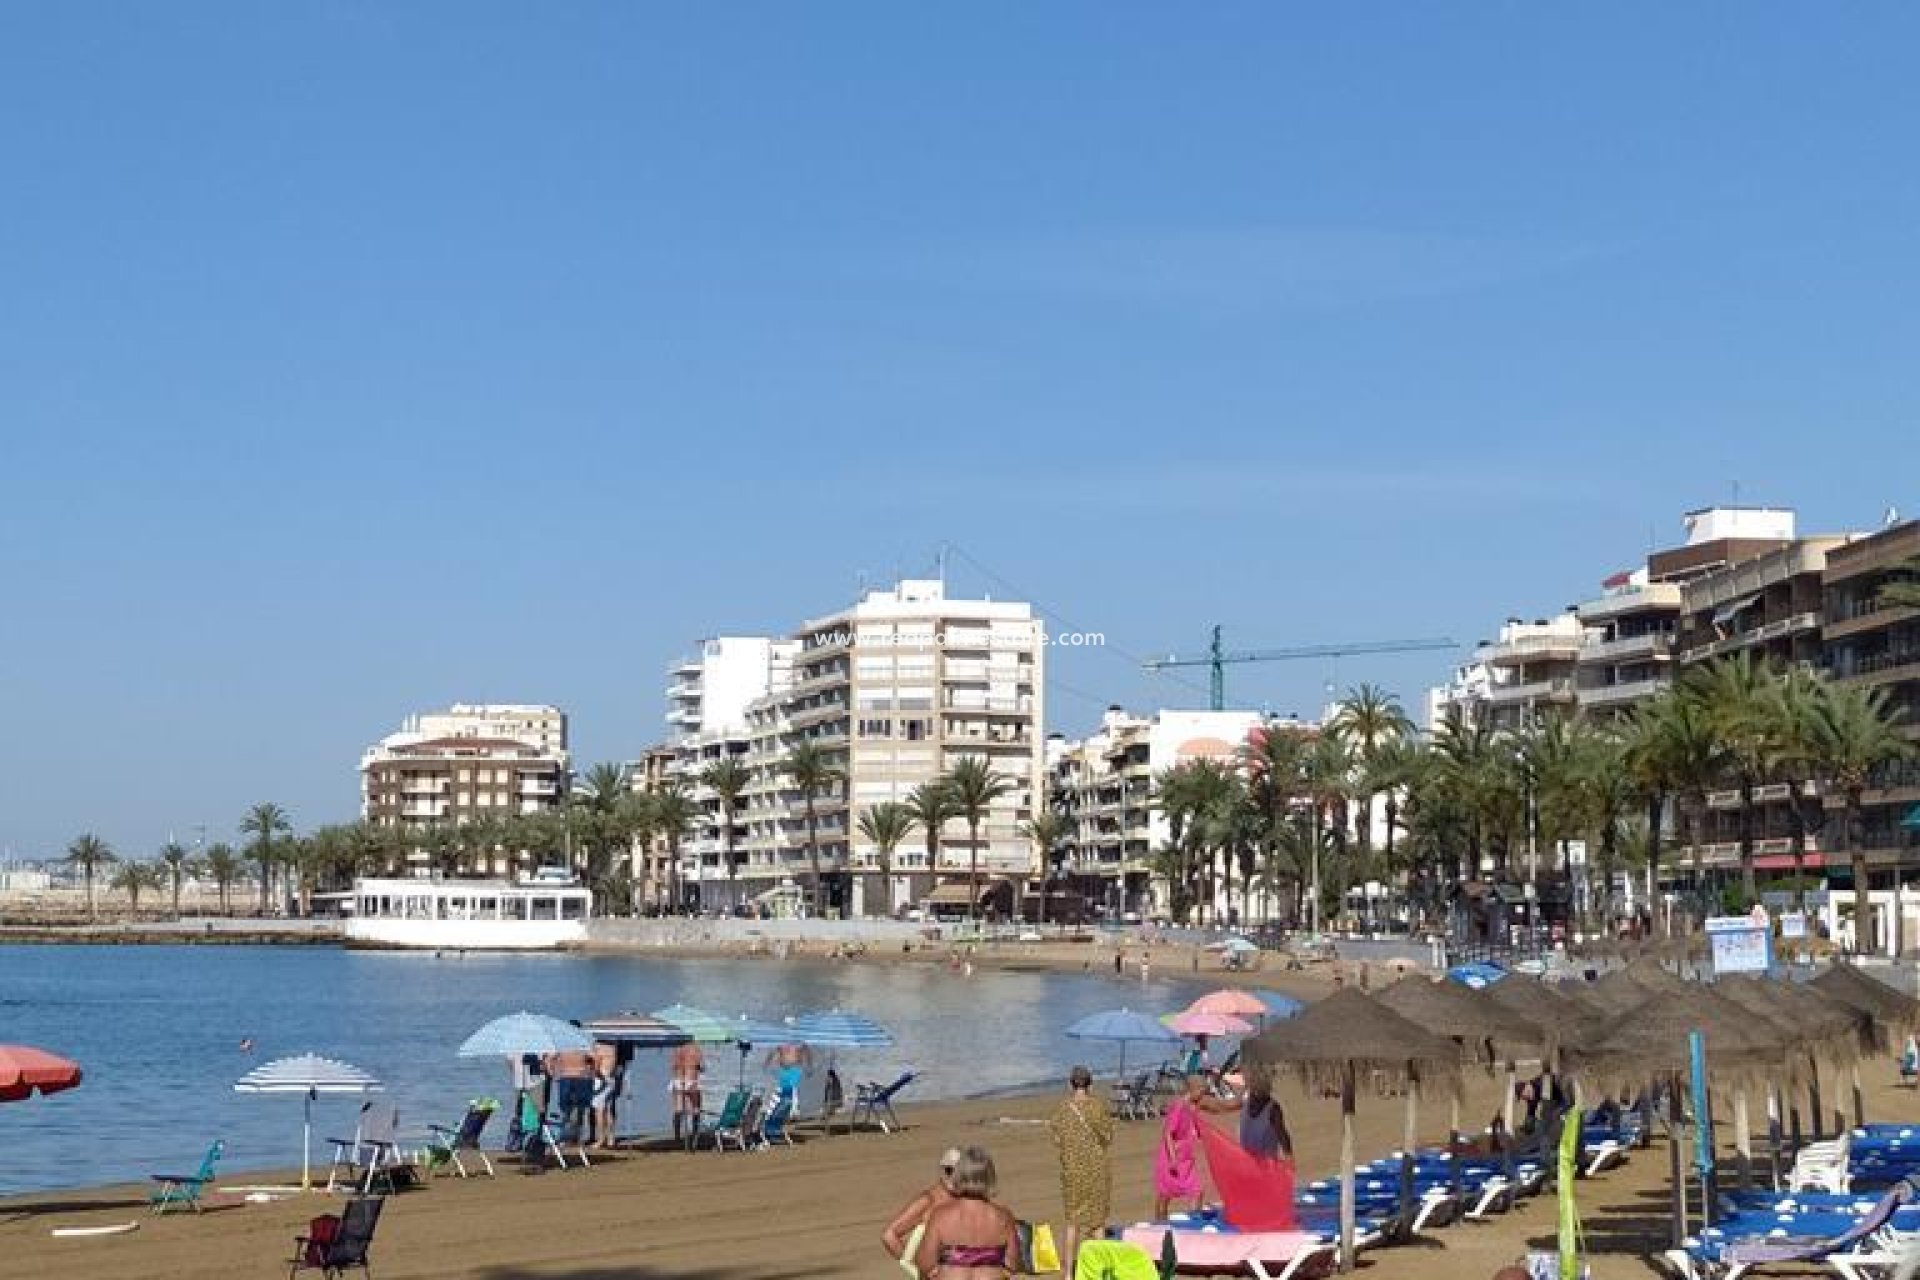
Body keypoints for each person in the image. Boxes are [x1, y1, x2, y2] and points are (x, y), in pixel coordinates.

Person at [1047, 1066, 1114, 1277]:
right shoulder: (1098, 1107)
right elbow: (1108, 1137)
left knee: (1072, 1223)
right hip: (1096, 1169)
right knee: (1098, 1222)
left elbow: (1057, 1139)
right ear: (1091, 1085)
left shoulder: (1062, 1110)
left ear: (1070, 1084)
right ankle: (1102, 1270)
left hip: (1072, 1171)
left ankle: (1068, 1273)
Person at [913, 1146, 1018, 1279]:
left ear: (958, 1175)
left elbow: (924, 1263)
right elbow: (1012, 1264)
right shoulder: (1003, 1217)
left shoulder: (940, 1215)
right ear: (990, 1177)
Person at [881, 1148, 961, 1275]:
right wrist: (917, 1271)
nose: (954, 1177)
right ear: (942, 1171)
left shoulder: (968, 1199)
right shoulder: (928, 1200)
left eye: (960, 1173)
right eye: (949, 1170)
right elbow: (889, 1236)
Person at [1154, 1072, 1219, 1219]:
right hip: (1172, 1158)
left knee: (1196, 1191)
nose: (1203, 1095)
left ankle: (1194, 1222)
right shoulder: (1179, 1106)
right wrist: (1172, 1159)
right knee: (1165, 1195)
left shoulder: (1192, 1106)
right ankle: (1161, 1225)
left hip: (1186, 1159)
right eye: (1202, 1091)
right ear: (1193, 1089)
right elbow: (1168, 1134)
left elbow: (1194, 1127)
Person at [543, 1046, 595, 1145]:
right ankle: (571, 1135)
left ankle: (572, 1135)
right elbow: (549, 1059)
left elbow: (549, 1059)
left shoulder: (564, 1044)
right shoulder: (580, 1044)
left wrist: (552, 1072)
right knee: (572, 1108)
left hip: (571, 1077)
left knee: (572, 1108)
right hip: (575, 1077)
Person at [1235, 1075, 1292, 1162]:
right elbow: (1225, 1106)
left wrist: (1289, 1158)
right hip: (1247, 1162)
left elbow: (1282, 1135)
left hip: (1262, 1164)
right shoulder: (1245, 1101)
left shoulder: (1273, 1109)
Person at [670, 1037, 705, 1146]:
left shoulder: (677, 1049)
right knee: (696, 1108)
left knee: (678, 1109)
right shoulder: (695, 1049)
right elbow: (701, 1066)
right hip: (691, 1079)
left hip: (678, 1080)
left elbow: (673, 1066)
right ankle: (694, 1136)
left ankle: (677, 1136)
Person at [590, 1040, 621, 1149]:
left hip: (601, 1079)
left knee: (599, 1111)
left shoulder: (598, 1047)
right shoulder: (613, 1046)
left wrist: (592, 1071)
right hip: (611, 1078)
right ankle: (611, 1138)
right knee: (608, 1109)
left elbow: (597, 1064)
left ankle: (600, 1139)